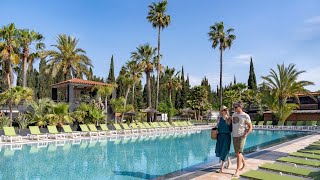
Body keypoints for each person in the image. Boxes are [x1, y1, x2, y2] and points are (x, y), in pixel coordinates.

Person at [232, 102, 253, 178]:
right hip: (234, 136)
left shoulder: (245, 116)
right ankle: (244, 163)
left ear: (240, 107)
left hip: (241, 136)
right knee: (237, 153)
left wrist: (246, 134)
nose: (234, 108)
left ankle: (237, 171)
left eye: (235, 107)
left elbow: (250, 127)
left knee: (238, 153)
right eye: (234, 107)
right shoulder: (233, 115)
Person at [215, 105, 232, 173]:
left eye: (225, 110)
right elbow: (216, 126)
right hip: (220, 136)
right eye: (222, 110)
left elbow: (232, 128)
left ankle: (221, 168)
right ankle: (229, 162)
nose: (223, 111)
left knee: (224, 151)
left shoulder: (229, 118)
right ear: (221, 111)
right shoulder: (219, 118)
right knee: (222, 150)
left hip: (227, 137)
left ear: (226, 110)